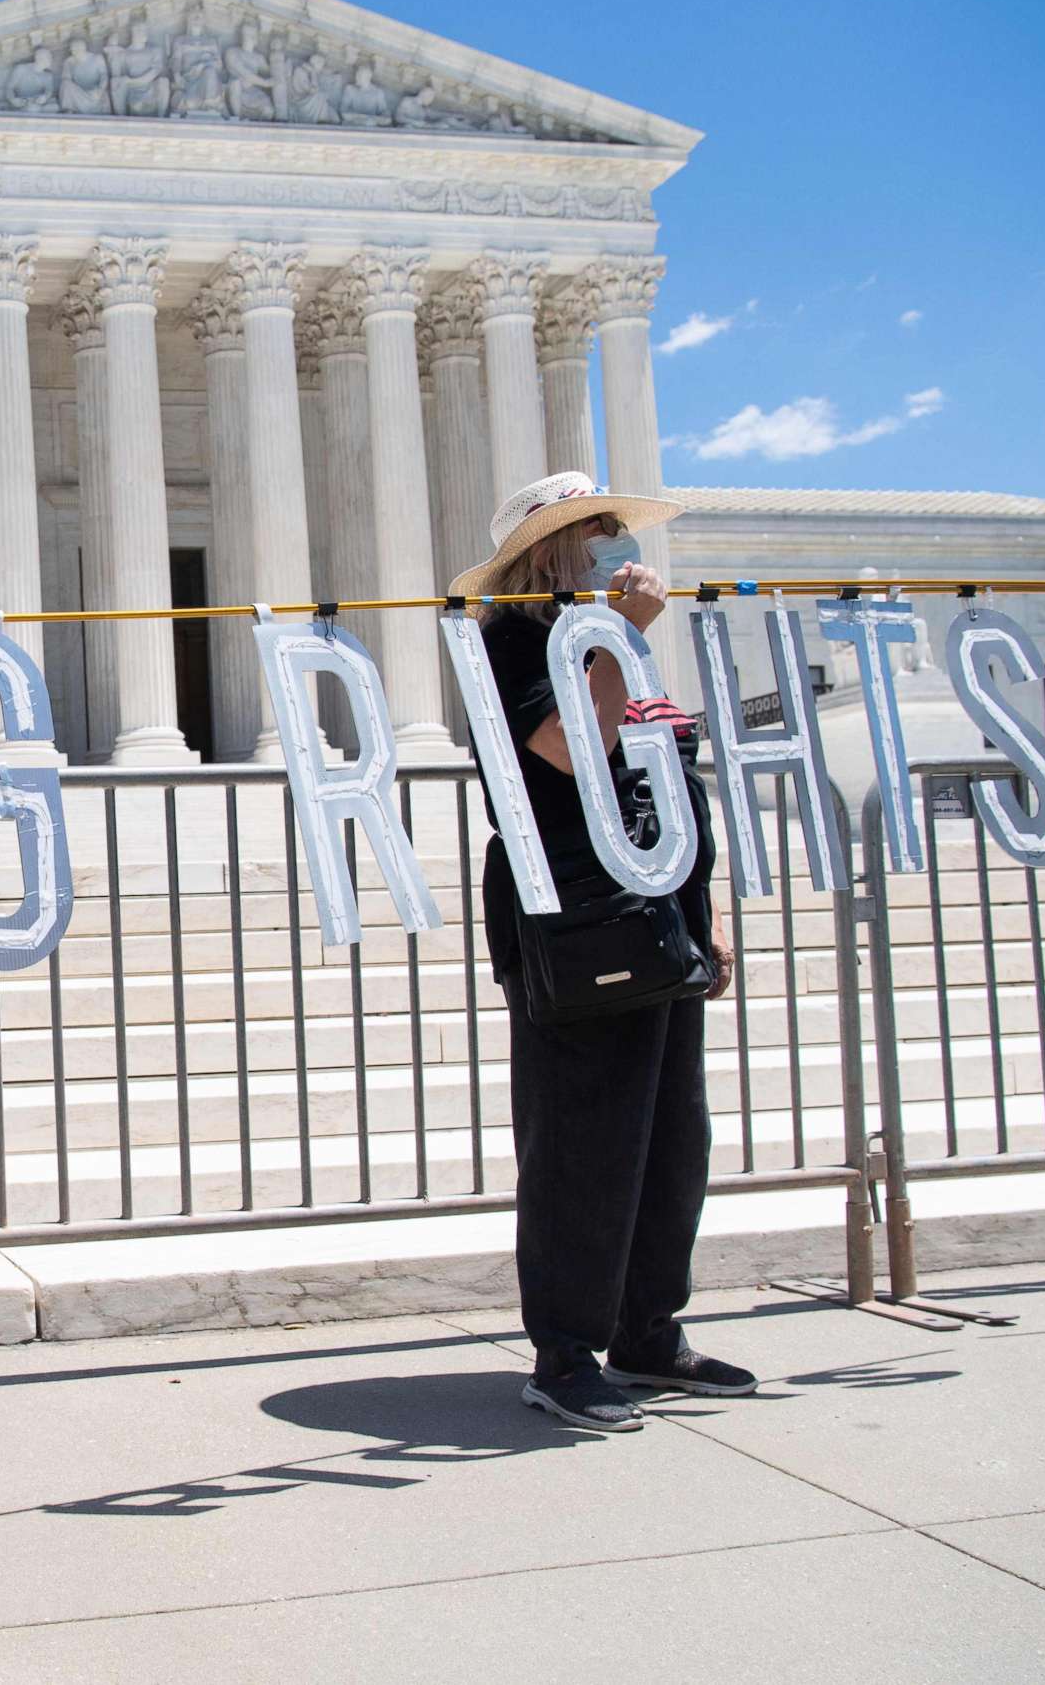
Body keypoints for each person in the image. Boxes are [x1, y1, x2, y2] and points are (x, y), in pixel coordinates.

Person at [452, 469, 752, 1434]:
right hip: (573, 919)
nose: (620, 544)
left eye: (618, 526)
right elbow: (565, 746)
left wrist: (702, 912)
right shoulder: (508, 639)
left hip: (656, 903)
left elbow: (656, 765)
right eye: (599, 531)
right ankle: (566, 1351)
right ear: (552, 551)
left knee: (671, 1136)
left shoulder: (606, 639)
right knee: (583, 1138)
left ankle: (648, 1329)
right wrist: (623, 636)